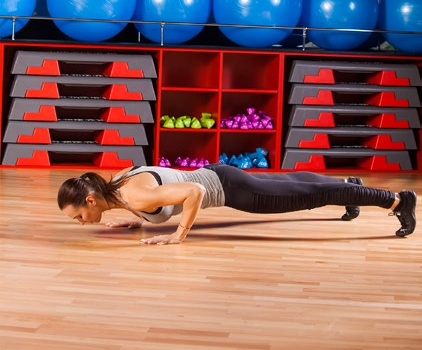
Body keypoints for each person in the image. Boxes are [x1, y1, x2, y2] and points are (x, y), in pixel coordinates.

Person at [57, 163, 417, 245]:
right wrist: (136, 220)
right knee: (293, 183)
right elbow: (146, 197)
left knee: (309, 194)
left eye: (79, 216)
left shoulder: (133, 195)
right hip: (222, 174)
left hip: (230, 191)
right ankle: (348, 187)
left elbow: (193, 194)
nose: (83, 222)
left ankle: (397, 200)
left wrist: (178, 235)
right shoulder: (116, 183)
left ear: (90, 199)